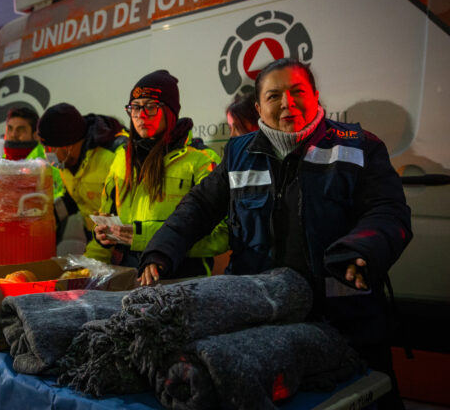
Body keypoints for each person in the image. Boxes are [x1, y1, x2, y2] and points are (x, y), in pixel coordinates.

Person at [139, 58, 411, 408]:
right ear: (258, 107)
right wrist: (162, 251)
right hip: (262, 312)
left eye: (298, 92)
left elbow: (388, 211)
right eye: (274, 95)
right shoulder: (239, 152)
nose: (287, 103)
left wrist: (361, 249)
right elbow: (200, 207)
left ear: (314, 95)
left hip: (343, 316)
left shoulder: (359, 145)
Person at [93, 70, 228, 274]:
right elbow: (106, 214)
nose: (141, 116)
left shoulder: (201, 159)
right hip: (128, 277)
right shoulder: (121, 157)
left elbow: (223, 233)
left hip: (182, 280)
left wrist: (145, 237)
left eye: (151, 107)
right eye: (135, 108)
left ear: (170, 112)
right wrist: (102, 238)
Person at [36, 103, 127, 262]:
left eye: (50, 148)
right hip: (96, 239)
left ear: (69, 144)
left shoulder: (113, 156)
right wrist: (44, 219)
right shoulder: (66, 162)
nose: (47, 154)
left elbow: (117, 216)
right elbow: (74, 198)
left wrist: (89, 265)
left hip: (123, 247)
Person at [3, 106, 64, 199]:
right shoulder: (0, 159)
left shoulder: (50, 157)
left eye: (21, 129)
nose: (13, 134)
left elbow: (62, 190)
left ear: (35, 135)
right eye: (10, 129)